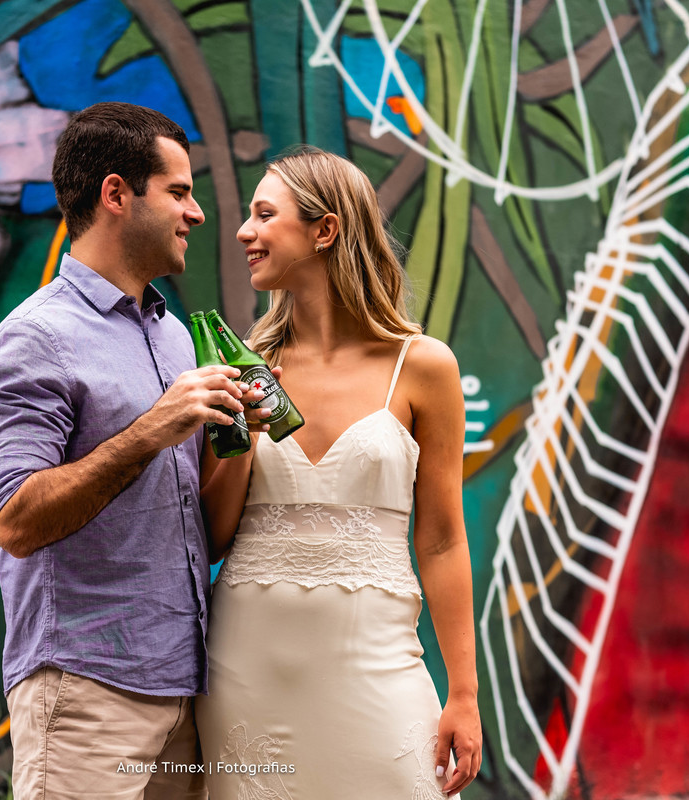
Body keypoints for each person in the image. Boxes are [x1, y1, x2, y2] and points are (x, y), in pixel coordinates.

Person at [0, 102, 251, 799]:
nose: (197, 214)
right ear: (116, 194)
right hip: (83, 692)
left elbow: (198, 531)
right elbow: (15, 519)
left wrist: (242, 437)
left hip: (185, 688)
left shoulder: (174, 336)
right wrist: (149, 431)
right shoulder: (34, 337)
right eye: (180, 192)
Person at [195, 146, 483, 799]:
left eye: (265, 215)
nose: (244, 231)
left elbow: (441, 541)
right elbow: (211, 536)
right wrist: (241, 435)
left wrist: (463, 694)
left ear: (324, 230)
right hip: (246, 673)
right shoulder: (240, 367)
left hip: (378, 668)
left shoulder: (424, 366)